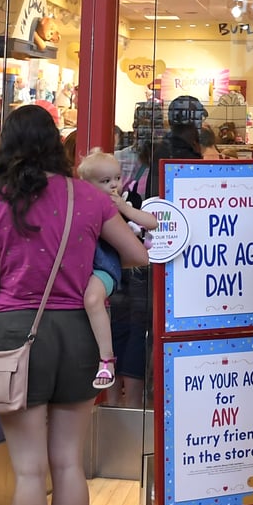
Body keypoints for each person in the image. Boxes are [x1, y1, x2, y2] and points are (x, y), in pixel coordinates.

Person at [0, 104, 149, 505]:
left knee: (29, 472)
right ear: (56, 144)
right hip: (77, 332)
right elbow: (135, 253)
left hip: (12, 333)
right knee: (69, 464)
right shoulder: (88, 196)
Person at [77, 150, 157, 391]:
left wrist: (125, 207)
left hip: (106, 263)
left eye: (117, 178)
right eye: (105, 181)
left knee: (92, 300)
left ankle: (106, 358)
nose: (114, 185)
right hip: (84, 263)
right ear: (86, 185)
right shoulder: (82, 204)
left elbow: (152, 222)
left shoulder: (126, 199)